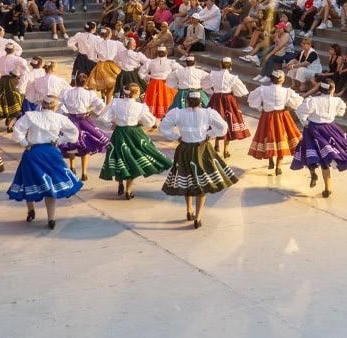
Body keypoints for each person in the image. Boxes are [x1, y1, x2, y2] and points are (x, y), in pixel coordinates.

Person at [159, 93, 239, 228]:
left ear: (187, 101)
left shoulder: (178, 113)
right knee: (201, 183)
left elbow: (163, 127)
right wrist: (210, 135)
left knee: (187, 179)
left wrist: (176, 137)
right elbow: (223, 127)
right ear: (200, 101)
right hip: (202, 149)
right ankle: (198, 216)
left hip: (185, 149)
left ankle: (189, 209)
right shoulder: (207, 113)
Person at [8, 94, 83, 229]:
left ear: (42, 105)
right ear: (55, 106)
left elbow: (17, 129)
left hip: (33, 152)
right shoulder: (60, 118)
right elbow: (73, 133)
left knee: (29, 181)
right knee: (50, 186)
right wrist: (59, 140)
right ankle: (51, 219)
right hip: (51, 153)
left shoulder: (31, 116)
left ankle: (31, 211)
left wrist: (25, 143)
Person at [291, 80, 347, 197]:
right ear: (332, 90)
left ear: (320, 89)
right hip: (330, 130)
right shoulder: (337, 101)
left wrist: (305, 122)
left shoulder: (312, 101)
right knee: (325, 159)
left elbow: (300, 111)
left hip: (313, 129)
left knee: (309, 152)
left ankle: (313, 174)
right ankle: (327, 189)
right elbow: (341, 113)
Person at [98, 83, 171, 198]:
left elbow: (103, 118)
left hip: (119, 132)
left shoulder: (116, 103)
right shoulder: (140, 107)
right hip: (134, 133)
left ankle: (120, 183)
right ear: (136, 94)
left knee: (119, 157)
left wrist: (112, 125)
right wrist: (140, 122)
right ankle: (128, 190)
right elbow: (150, 122)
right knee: (132, 159)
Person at [247, 70, 303, 175]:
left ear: (271, 79)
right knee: (281, 139)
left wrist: (261, 108)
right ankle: (278, 167)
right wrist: (288, 106)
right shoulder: (286, 91)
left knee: (269, 137)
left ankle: (270, 160)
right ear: (282, 80)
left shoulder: (263, 89)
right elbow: (297, 102)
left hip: (267, 117)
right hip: (282, 117)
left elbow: (251, 99)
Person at [57, 75, 110, 180]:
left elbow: (58, 103)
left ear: (75, 81)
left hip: (71, 119)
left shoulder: (67, 92)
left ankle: (72, 167)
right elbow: (101, 105)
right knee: (86, 144)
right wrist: (91, 111)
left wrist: (64, 113)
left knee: (71, 143)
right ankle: (84, 173)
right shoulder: (89, 94)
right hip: (84, 120)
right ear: (86, 83)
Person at [202, 56, 251, 158]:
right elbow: (243, 91)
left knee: (215, 119)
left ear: (220, 64)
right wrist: (233, 92)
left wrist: (213, 91)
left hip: (216, 99)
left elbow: (203, 84)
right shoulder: (233, 78)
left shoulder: (213, 74)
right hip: (228, 99)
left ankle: (216, 144)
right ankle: (226, 150)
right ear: (231, 65)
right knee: (228, 121)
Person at [141, 45, 178, 118]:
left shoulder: (151, 62)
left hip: (153, 83)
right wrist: (171, 77)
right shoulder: (170, 62)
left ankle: (152, 115)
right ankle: (166, 114)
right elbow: (180, 70)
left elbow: (141, 73)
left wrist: (149, 77)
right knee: (166, 99)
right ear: (166, 53)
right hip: (166, 84)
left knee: (153, 99)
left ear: (157, 53)